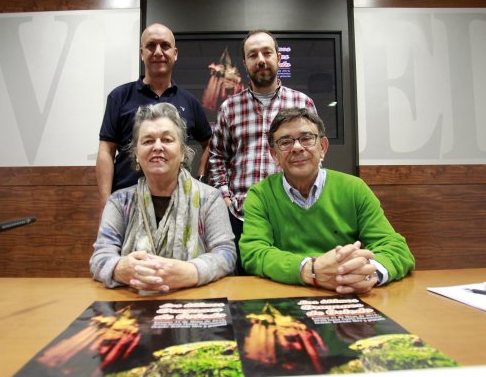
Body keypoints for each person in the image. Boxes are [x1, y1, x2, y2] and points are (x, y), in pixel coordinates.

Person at [239, 108, 415, 294]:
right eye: (285, 142)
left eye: (306, 138)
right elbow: (253, 253)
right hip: (285, 295)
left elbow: (397, 250)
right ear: (275, 155)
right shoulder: (260, 195)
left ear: (323, 147)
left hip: (346, 293)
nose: (297, 147)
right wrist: (310, 270)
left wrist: (368, 273)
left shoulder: (354, 188)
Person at [90, 103, 236, 292]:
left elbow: (226, 254)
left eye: (167, 140)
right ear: (136, 154)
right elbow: (100, 257)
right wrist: (120, 268)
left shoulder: (209, 198)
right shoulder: (120, 202)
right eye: (148, 141)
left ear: (183, 152)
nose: (157, 147)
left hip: (193, 303)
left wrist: (192, 271)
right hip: (132, 303)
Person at [208, 29, 317, 274]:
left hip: (292, 214)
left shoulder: (302, 104)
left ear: (278, 57)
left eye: (267, 53)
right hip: (240, 217)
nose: (261, 60)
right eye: (253, 54)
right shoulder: (230, 108)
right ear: (245, 63)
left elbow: (315, 155)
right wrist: (225, 198)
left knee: (289, 281)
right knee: (242, 290)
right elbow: (217, 157)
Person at [97, 23, 212, 208]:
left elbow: (209, 143)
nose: (158, 52)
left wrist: (200, 177)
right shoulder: (119, 96)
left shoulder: (189, 101)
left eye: (165, 45)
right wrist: (105, 205)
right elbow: (106, 151)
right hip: (127, 203)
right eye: (151, 46)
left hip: (178, 204)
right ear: (142, 53)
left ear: (175, 54)